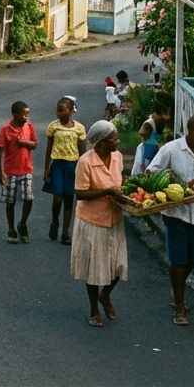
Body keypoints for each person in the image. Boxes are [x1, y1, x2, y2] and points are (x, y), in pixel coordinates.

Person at [146, 113, 194, 326]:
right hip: (176, 214)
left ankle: (176, 286)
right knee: (178, 260)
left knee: (193, 258)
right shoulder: (171, 149)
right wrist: (171, 185)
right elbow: (151, 171)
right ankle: (180, 305)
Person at [71, 120, 131, 328]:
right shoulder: (85, 162)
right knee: (94, 269)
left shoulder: (117, 157)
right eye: (114, 138)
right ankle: (93, 308)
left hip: (114, 218)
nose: (118, 141)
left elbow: (120, 185)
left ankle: (105, 296)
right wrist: (106, 192)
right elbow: (80, 193)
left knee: (117, 266)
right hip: (92, 221)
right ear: (102, 142)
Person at [43, 97, 86, 244]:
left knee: (69, 199)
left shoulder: (79, 128)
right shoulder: (53, 127)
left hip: (72, 165)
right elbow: (48, 149)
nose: (59, 113)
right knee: (57, 198)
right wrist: (46, 168)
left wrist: (82, 170)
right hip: (58, 165)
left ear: (70, 111)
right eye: (58, 110)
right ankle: (55, 221)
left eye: (62, 110)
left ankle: (65, 232)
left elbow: (82, 151)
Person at [0, 100, 38, 244]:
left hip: (26, 168)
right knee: (10, 201)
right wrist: (1, 172)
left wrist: (25, 143)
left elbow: (35, 144)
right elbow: (1, 152)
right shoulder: (5, 130)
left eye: (27, 115)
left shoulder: (29, 127)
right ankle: (11, 228)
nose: (26, 117)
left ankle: (22, 223)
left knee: (28, 197)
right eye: (24, 115)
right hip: (10, 171)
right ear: (15, 115)